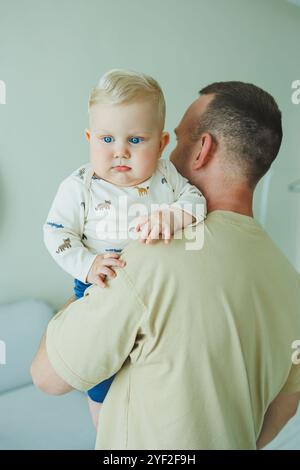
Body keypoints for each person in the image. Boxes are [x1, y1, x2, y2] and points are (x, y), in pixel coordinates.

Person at [32, 81, 300, 450]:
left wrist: (84, 286)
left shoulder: (149, 254)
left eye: (174, 140)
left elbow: (47, 376)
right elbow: (286, 406)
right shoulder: (291, 282)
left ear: (202, 150)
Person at [42, 69, 206, 426]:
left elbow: (196, 201)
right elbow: (57, 233)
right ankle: (106, 432)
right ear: (89, 138)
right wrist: (87, 265)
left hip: (161, 296)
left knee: (156, 373)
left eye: (135, 140)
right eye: (106, 139)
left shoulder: (167, 178)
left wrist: (176, 216)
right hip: (101, 288)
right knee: (101, 380)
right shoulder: (80, 186)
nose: (119, 152)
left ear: (161, 144)